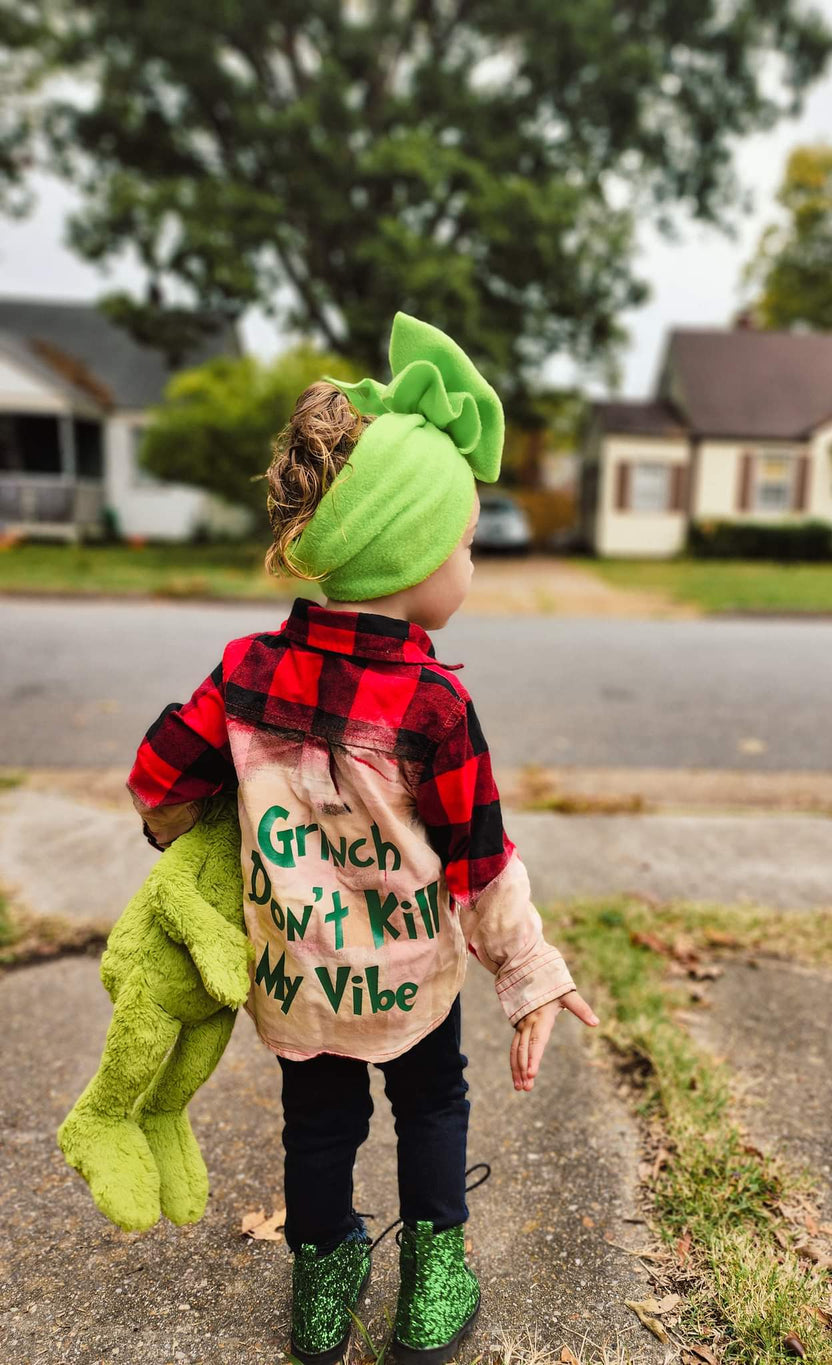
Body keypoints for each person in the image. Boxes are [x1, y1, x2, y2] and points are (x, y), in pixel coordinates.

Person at [125, 311, 599, 1365]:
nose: (470, 565)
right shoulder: (431, 703)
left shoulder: (245, 669)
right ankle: (434, 1271)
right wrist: (529, 973)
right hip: (407, 980)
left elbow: (159, 777)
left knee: (318, 1126)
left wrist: (189, 833)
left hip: (296, 979)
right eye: (466, 543)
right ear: (415, 553)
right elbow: (479, 863)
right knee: (432, 1104)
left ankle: (322, 1276)